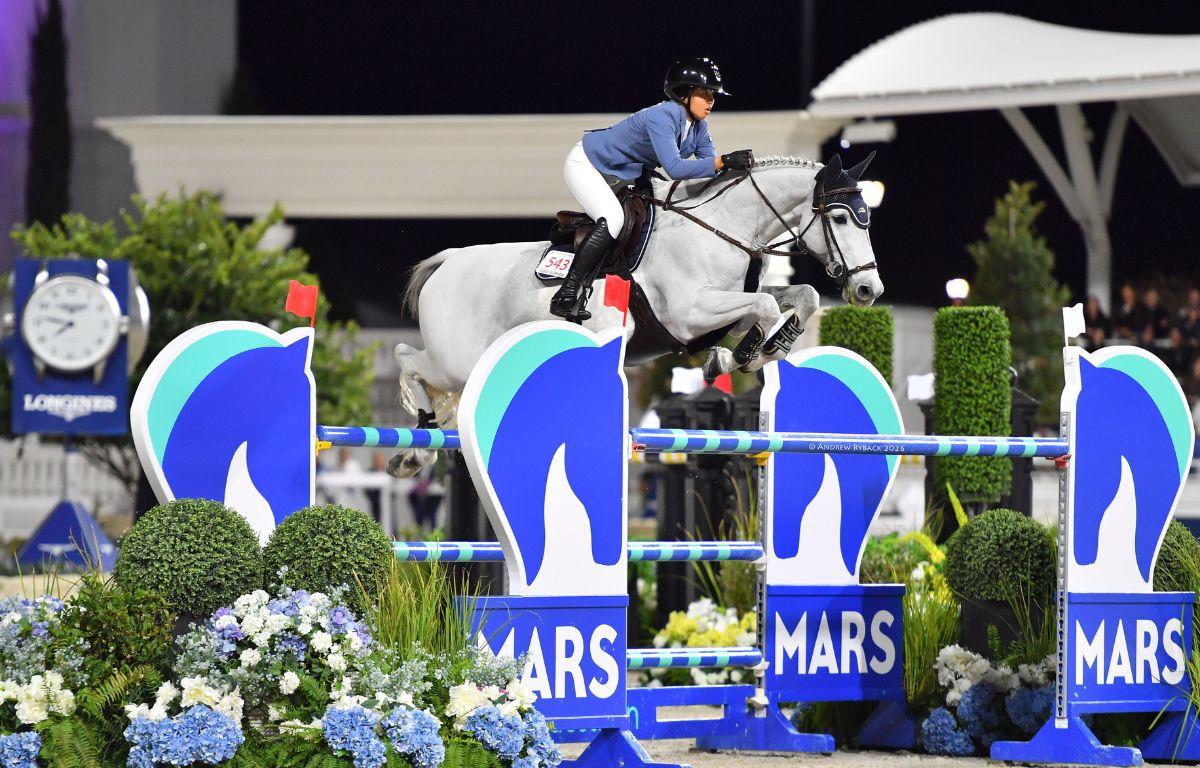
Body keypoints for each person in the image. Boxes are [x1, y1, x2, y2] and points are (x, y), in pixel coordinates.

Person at [551, 57, 754, 322]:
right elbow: (676, 169)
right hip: (588, 164)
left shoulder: (699, 128)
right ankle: (566, 292)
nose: (711, 100)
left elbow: (709, 168)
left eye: (713, 94)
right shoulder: (664, 115)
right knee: (613, 220)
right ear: (684, 94)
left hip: (622, 173)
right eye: (704, 93)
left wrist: (732, 171)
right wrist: (723, 161)